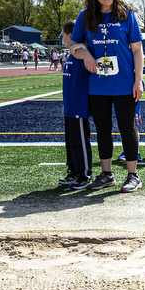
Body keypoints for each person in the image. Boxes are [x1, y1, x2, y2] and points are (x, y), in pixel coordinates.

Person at [68, 0, 144, 194]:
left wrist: (139, 81)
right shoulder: (85, 16)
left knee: (127, 129)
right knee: (102, 130)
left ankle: (133, 175)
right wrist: (86, 55)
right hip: (97, 85)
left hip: (124, 84)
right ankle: (107, 174)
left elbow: (137, 50)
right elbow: (74, 45)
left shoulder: (126, 15)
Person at [59, 21, 92, 189]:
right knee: (71, 142)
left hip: (80, 106)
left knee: (80, 142)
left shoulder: (82, 55)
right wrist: (66, 104)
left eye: (63, 36)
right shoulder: (71, 55)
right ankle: (73, 171)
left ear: (70, 36)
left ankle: (84, 174)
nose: (62, 39)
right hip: (71, 106)